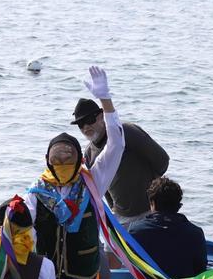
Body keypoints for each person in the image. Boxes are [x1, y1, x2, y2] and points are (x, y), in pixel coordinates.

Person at [24, 66, 125, 279]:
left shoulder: (93, 182)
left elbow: (117, 143)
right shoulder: (38, 190)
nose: (63, 162)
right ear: (48, 161)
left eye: (69, 156)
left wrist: (105, 100)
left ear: (80, 157)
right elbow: (20, 222)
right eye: (57, 158)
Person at [127, 176, 207, 279]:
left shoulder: (135, 230)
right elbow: (201, 270)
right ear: (179, 206)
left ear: (152, 203)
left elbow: (131, 267)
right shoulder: (195, 232)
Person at [72, 96, 169, 228]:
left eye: (89, 120)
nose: (85, 127)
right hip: (120, 216)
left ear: (101, 116)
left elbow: (162, 161)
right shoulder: (89, 153)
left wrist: (154, 194)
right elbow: (101, 187)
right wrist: (113, 209)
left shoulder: (126, 132)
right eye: (80, 124)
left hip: (151, 210)